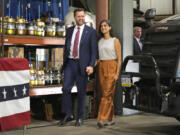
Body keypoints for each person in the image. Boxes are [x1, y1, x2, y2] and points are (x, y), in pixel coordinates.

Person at [58, 8, 98, 127]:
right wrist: (64, 63)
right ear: (75, 18)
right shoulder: (69, 30)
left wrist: (91, 65)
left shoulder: (90, 31)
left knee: (81, 92)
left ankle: (79, 117)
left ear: (84, 17)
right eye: (78, 16)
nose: (81, 18)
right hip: (70, 63)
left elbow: (93, 51)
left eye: (82, 16)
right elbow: (67, 47)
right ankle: (68, 114)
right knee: (65, 89)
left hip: (83, 65)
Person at [96, 20, 121, 128]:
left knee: (105, 94)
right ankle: (111, 119)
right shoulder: (99, 41)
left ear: (110, 27)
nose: (103, 27)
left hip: (112, 67)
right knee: (108, 95)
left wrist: (117, 74)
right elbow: (98, 58)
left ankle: (101, 119)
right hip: (101, 67)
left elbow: (119, 59)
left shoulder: (115, 40)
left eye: (105, 25)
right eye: (101, 26)